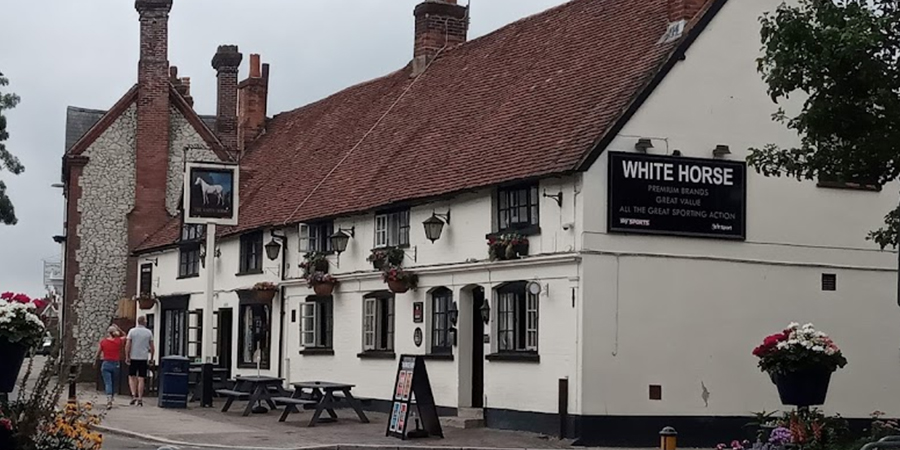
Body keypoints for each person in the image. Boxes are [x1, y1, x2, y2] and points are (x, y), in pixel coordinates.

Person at [125, 316, 155, 406]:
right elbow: (152, 347)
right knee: (141, 378)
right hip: (143, 357)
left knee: (132, 377)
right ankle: (140, 397)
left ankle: (134, 395)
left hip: (133, 357)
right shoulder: (148, 332)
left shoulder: (132, 331)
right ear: (144, 322)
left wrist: (127, 356)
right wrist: (152, 358)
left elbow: (128, 344)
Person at [94, 324, 124, 409]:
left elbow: (98, 353)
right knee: (114, 382)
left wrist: (95, 361)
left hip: (106, 363)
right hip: (116, 364)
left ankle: (109, 399)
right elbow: (125, 336)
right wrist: (119, 329)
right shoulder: (118, 341)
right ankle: (112, 396)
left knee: (108, 382)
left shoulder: (103, 342)